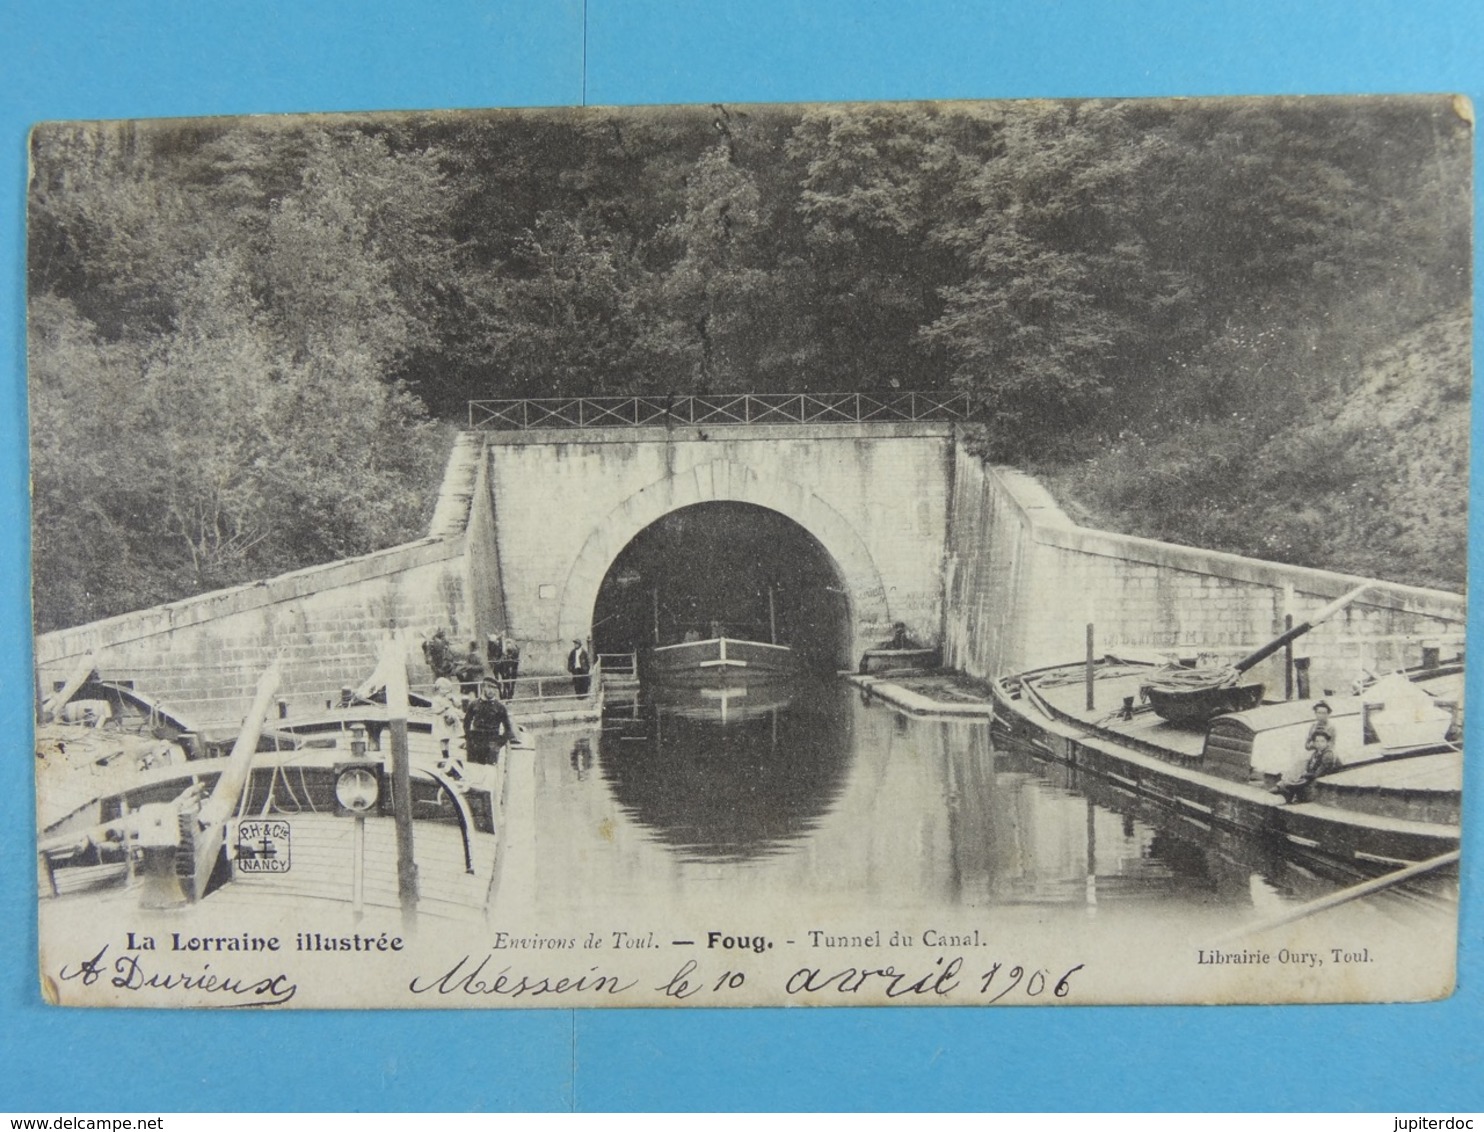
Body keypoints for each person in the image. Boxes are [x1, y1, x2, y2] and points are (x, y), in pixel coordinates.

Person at [1272, 701, 1341, 804]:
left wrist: (1317, 745)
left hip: (1324, 752)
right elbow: (1307, 745)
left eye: (1324, 713)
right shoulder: (1313, 726)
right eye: (1319, 713)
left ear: (1328, 714)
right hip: (1314, 751)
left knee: (1306, 764)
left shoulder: (1331, 727)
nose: (1321, 716)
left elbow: (1330, 745)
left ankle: (1286, 786)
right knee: (1298, 761)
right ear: (1315, 713)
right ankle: (1285, 786)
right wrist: (1315, 745)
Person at [462, 677, 514, 766]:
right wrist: (469, 740)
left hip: (492, 742)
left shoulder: (500, 707)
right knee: (473, 771)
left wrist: (498, 744)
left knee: (490, 773)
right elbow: (466, 723)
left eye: (494, 688)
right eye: (489, 687)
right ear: (483, 687)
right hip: (475, 742)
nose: (491, 691)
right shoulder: (474, 704)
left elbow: (508, 730)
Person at [428, 676, 463, 764]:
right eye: (442, 689)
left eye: (446, 689)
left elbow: (458, 705)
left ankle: (447, 752)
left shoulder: (449, 697)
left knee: (447, 737)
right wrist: (444, 708)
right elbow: (435, 710)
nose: (444, 691)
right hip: (441, 721)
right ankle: (444, 754)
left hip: (449, 720)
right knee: (442, 737)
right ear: (438, 689)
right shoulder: (436, 699)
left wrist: (453, 699)